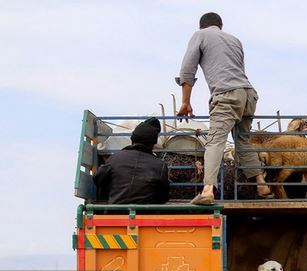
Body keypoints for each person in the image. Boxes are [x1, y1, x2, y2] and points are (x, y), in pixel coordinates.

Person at [176, 12, 273, 205]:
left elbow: (187, 69)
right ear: (221, 26)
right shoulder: (235, 40)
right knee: (243, 140)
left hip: (227, 94)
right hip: (248, 94)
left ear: (201, 26)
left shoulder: (200, 35)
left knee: (215, 141)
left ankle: (207, 191)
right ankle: (262, 185)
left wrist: (185, 102)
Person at [93, 118, 170, 204]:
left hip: (116, 213)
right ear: (153, 145)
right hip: (146, 215)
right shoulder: (160, 165)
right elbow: (164, 197)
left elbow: (98, 179)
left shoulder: (115, 158)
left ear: (132, 140)